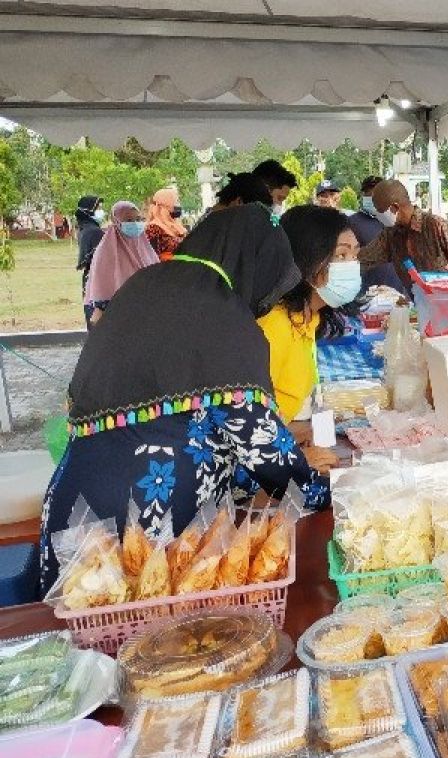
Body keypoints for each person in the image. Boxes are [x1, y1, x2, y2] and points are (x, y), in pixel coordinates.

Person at [39, 204, 331, 595]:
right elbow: (269, 457)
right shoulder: (225, 319)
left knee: (92, 644)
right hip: (144, 529)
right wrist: (331, 492)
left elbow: (187, 426)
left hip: (75, 517)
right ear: (251, 263)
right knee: (154, 646)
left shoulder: (141, 287)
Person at [258, 206, 360, 476]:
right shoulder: (274, 327)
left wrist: (313, 432)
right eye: (341, 255)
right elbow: (244, 428)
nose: (352, 264)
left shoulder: (308, 318)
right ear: (307, 259)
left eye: (355, 254)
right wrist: (296, 458)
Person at [361, 179, 448, 295]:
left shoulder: (436, 226)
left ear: (394, 208)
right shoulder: (390, 235)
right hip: (419, 304)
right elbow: (365, 258)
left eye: (379, 211)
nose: (377, 216)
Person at [82, 201, 158, 329]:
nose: (135, 223)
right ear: (116, 221)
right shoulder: (106, 250)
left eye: (138, 219)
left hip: (146, 314)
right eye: (128, 220)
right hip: (117, 317)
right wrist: (100, 307)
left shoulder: (144, 246)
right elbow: (101, 285)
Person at [74, 195, 105, 320]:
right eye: (98, 208)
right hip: (98, 280)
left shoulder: (84, 228)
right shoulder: (94, 231)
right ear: (89, 210)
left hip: (89, 279)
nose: (101, 211)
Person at [144, 187, 187, 259]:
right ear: (165, 204)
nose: (178, 205)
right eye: (175, 202)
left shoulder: (176, 225)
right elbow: (151, 257)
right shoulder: (153, 228)